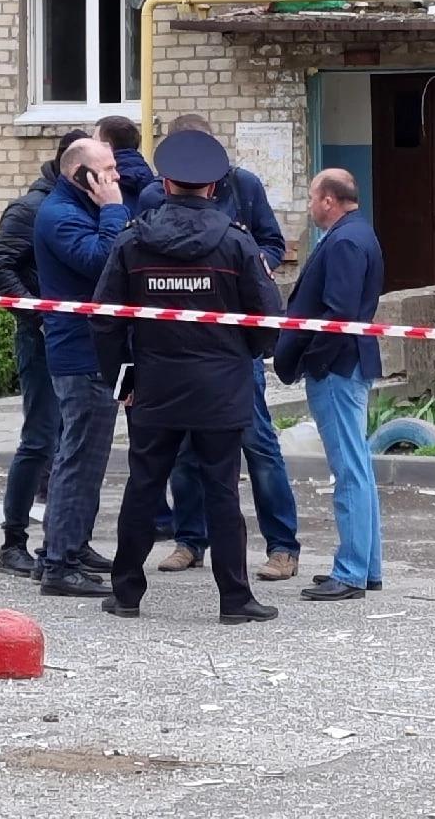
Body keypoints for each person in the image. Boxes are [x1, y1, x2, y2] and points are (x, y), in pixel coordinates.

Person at [94, 129, 286, 625]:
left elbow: (105, 320)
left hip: (153, 386)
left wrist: (123, 380)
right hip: (221, 389)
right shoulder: (236, 245)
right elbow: (268, 318)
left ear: (164, 181)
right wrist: (243, 358)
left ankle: (126, 594)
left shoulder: (133, 242)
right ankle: (235, 600)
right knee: (222, 490)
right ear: (216, 186)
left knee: (143, 486)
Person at [139, 110, 302, 583]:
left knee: (258, 444)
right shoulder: (154, 195)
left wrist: (260, 265)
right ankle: (191, 541)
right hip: (180, 342)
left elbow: (272, 242)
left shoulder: (244, 186)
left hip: (232, 345)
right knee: (186, 446)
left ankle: (282, 546)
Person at [0, 128, 88, 578]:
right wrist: (39, 315)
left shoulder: (75, 205)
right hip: (43, 338)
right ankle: (14, 542)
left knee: (70, 442)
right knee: (41, 439)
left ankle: (66, 543)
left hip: (72, 339)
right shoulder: (32, 208)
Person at [274, 169, 385, 600]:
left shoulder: (343, 242)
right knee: (358, 467)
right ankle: (366, 566)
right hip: (348, 362)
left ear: (328, 201)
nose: (309, 206)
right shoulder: (359, 234)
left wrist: (311, 361)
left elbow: (337, 314)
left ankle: (352, 570)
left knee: (350, 471)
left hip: (337, 368)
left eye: (311, 198)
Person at [31, 135, 128, 597]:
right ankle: (59, 563)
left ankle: (70, 544)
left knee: (88, 458)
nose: (115, 177)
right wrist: (112, 209)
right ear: (81, 175)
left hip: (95, 351)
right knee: (78, 457)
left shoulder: (78, 207)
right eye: (106, 170)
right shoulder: (61, 214)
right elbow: (103, 261)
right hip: (79, 352)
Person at [99, 115, 157, 216]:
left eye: (94, 141)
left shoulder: (102, 181)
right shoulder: (150, 177)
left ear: (107, 146)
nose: (89, 145)